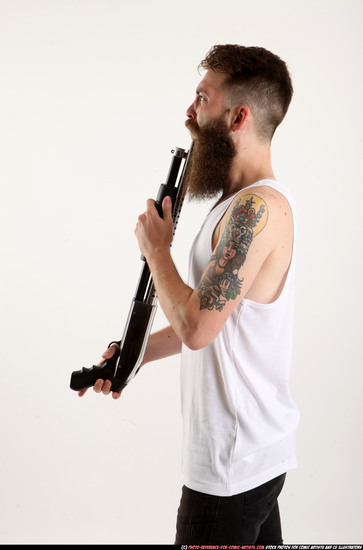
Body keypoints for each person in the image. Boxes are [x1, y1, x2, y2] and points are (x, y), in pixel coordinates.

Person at [79, 44, 300, 544]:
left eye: (202, 97)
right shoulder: (237, 205)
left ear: (238, 115)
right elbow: (214, 320)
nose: (189, 111)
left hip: (229, 472)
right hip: (249, 457)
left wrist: (158, 250)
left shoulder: (256, 212)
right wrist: (133, 356)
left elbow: (198, 327)